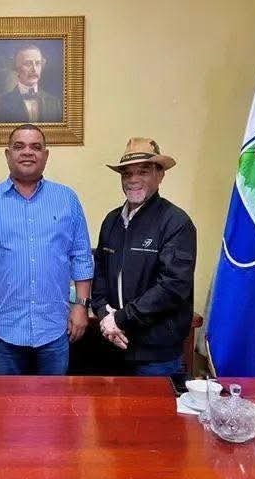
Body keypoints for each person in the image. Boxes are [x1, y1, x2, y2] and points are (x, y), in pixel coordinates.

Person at [0, 124, 93, 375]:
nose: (28, 152)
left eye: (36, 147)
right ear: (7, 154)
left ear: (46, 155)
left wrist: (81, 306)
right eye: (19, 146)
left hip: (55, 329)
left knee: (55, 399)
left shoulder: (67, 199)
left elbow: (82, 257)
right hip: (2, 331)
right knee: (6, 400)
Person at [91, 137, 196, 375]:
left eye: (143, 171)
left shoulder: (176, 222)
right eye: (127, 173)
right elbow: (100, 276)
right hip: (112, 343)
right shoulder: (111, 221)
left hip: (156, 355)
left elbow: (173, 286)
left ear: (160, 175)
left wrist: (120, 319)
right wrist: (105, 317)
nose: (133, 179)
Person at [0, 44, 63, 124]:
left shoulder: (54, 103)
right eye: (28, 64)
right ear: (16, 68)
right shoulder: (2, 103)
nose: (34, 69)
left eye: (37, 63)